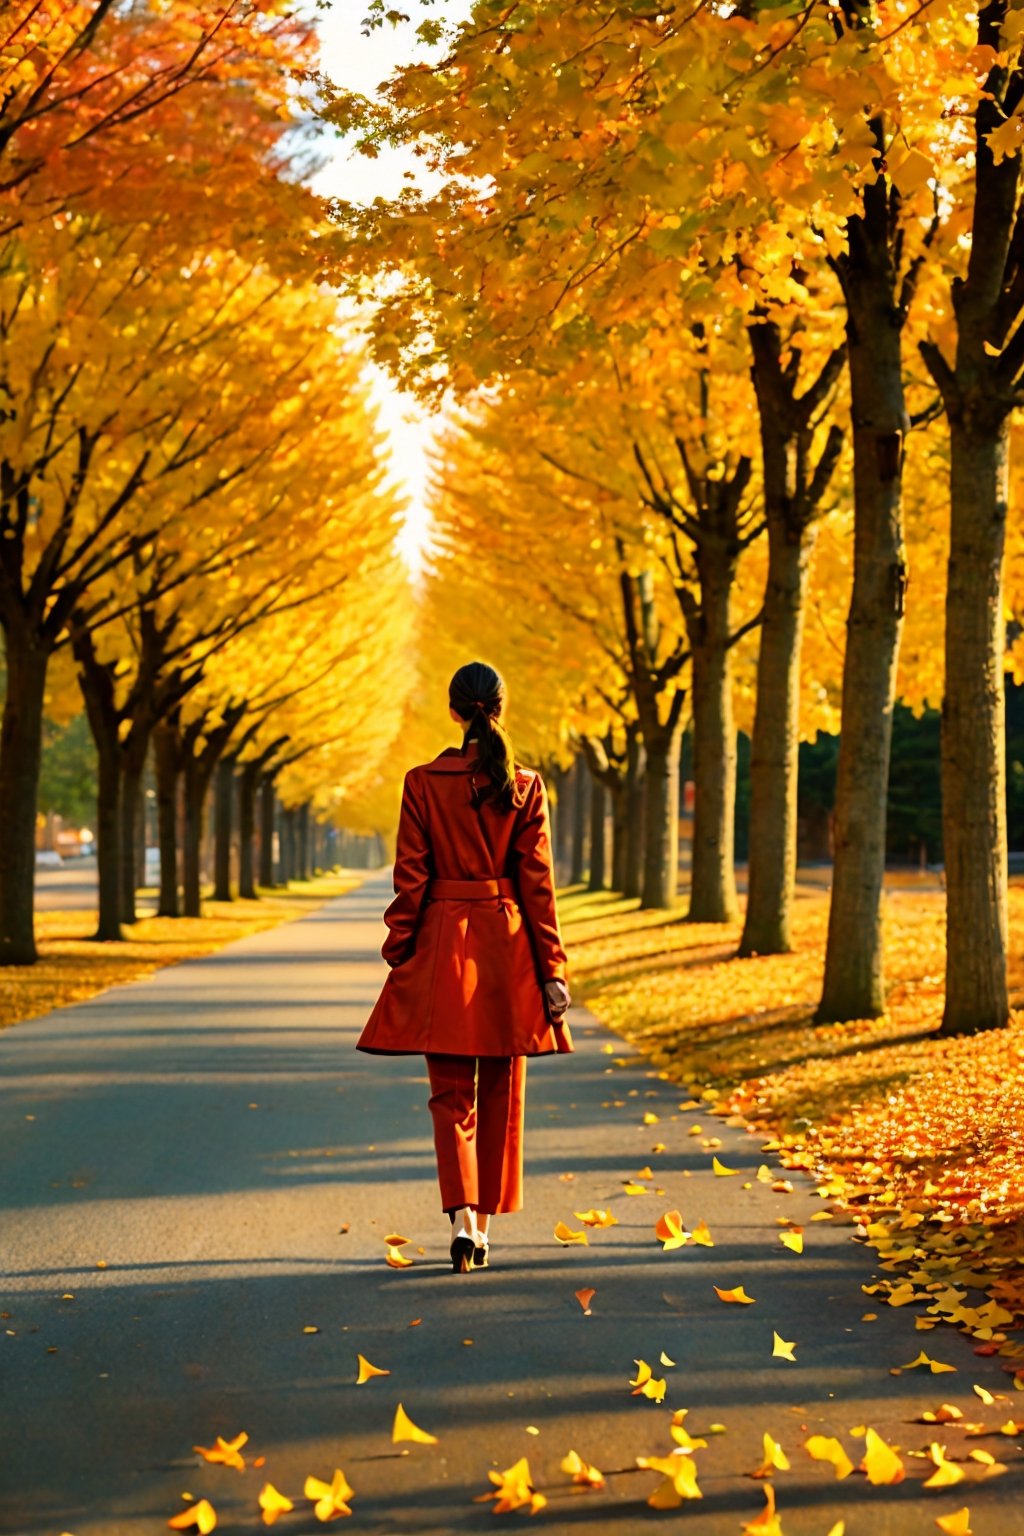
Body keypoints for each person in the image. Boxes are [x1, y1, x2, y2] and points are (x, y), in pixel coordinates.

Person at [357, 660, 573, 1272]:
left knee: (450, 1095)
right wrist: (552, 967)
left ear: (455, 712)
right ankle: (486, 1224)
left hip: (443, 949)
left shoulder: (422, 782)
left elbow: (411, 878)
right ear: (499, 710)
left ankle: (464, 1220)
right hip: (507, 949)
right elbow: (539, 887)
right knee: (503, 1091)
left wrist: (400, 946)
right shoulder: (525, 786)